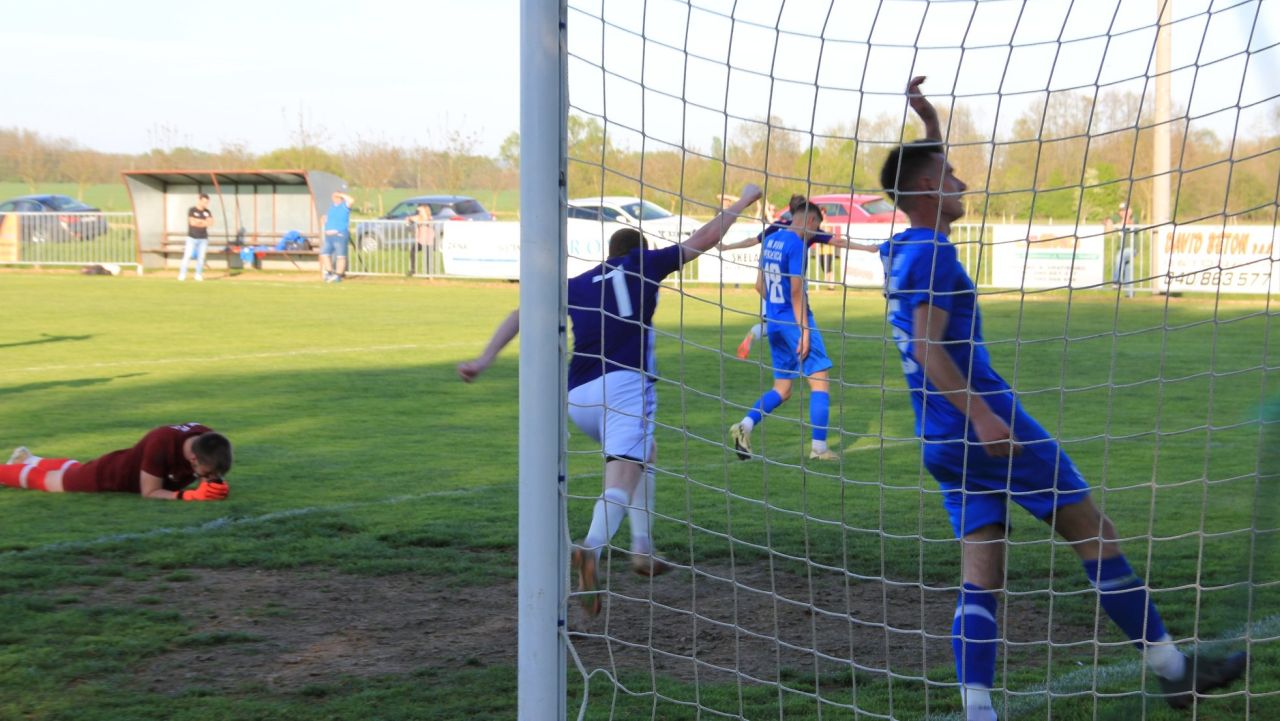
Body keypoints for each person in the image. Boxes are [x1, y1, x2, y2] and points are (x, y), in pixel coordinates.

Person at [879, 76, 1244, 719]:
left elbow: (916, 183)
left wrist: (930, 126)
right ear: (931, 189)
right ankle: (1174, 670)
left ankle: (978, 710)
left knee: (981, 573)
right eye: (953, 174)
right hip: (986, 425)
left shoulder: (904, 246)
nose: (964, 182)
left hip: (939, 439)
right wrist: (989, 418)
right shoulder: (934, 254)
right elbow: (931, 350)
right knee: (1094, 534)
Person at [457, 184, 764, 616]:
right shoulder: (647, 264)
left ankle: (642, 548)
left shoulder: (580, 283)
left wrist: (484, 359)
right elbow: (706, 237)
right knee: (620, 477)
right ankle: (592, 549)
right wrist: (744, 200)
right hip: (624, 387)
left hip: (578, 396)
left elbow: (521, 311)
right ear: (642, 250)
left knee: (644, 453)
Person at [727, 197, 861, 462]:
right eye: (816, 227)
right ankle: (819, 449)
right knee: (820, 381)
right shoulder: (796, 245)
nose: (815, 234)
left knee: (783, 389)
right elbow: (797, 291)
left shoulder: (771, 239)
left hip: (774, 323)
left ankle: (746, 425)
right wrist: (805, 330)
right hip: (795, 323)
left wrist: (776, 308)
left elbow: (758, 286)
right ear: (810, 220)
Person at [719, 193, 879, 360]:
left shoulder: (778, 226)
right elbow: (839, 242)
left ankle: (756, 333)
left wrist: (728, 247)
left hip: (771, 283)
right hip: (792, 279)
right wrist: (867, 248)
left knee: (774, 322)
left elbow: (753, 241)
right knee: (797, 320)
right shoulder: (806, 231)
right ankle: (803, 351)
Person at [0, 423, 231, 501]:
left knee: (75, 469)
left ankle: (29, 459)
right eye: (207, 473)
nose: (211, 478)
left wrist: (213, 484)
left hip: (119, 461)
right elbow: (149, 492)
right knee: (49, 482)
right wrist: (186, 495)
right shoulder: (162, 442)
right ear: (193, 459)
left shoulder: (207, 440)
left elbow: (210, 466)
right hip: (110, 476)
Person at [178, 193, 214, 282]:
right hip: (192, 237)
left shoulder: (207, 212)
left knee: (201, 257)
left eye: (207, 202)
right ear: (199, 200)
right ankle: (182, 274)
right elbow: (192, 222)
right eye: (204, 202)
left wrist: (199, 222)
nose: (205, 204)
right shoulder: (192, 210)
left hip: (203, 238)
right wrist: (203, 222)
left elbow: (210, 223)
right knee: (187, 256)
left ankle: (198, 274)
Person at [322, 190, 355, 283]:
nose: (334, 198)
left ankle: (338, 275)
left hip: (340, 234)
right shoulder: (331, 208)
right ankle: (329, 272)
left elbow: (351, 200)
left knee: (340, 256)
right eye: (333, 197)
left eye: (336, 197)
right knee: (324, 254)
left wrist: (341, 194)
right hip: (329, 235)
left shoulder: (344, 206)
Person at [407, 203, 436, 276]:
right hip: (420, 240)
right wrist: (410, 219)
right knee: (413, 252)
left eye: (420, 211)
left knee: (428, 256)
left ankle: (429, 273)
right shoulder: (418, 217)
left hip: (427, 240)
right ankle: (413, 270)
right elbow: (408, 220)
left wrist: (417, 218)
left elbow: (425, 221)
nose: (418, 212)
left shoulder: (429, 218)